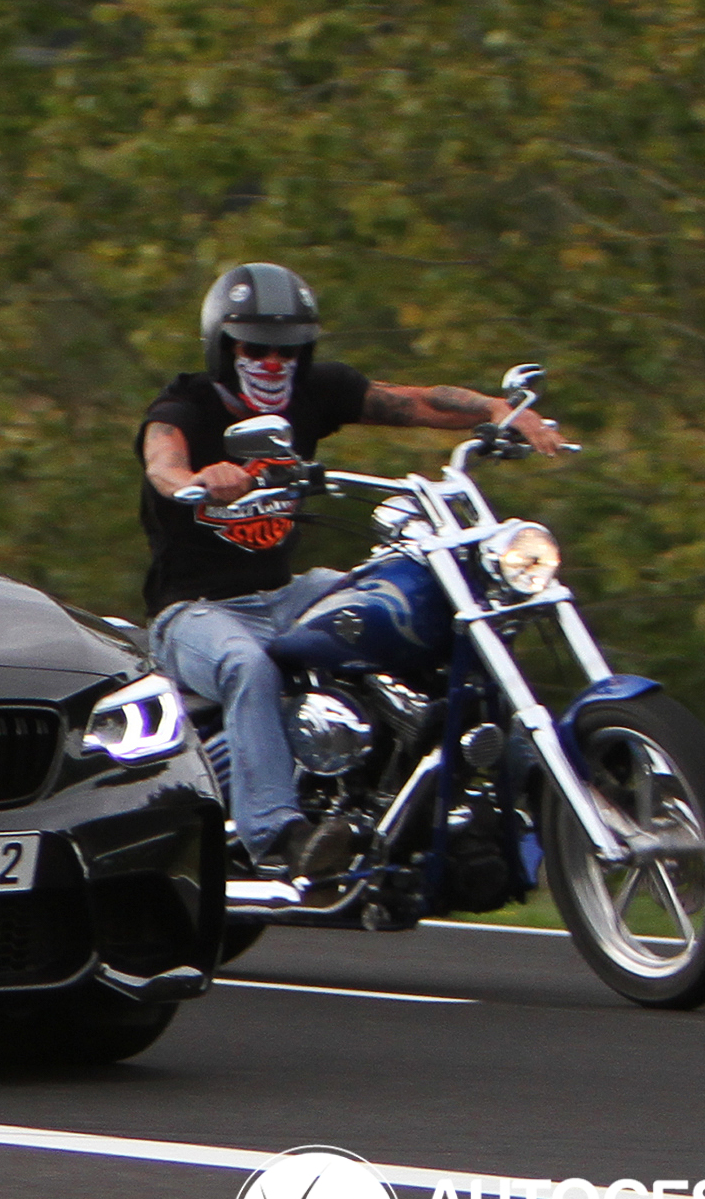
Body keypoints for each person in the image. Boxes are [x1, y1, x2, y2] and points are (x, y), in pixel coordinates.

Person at [137, 263, 569, 880]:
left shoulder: (316, 390)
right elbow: (162, 460)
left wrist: (500, 411)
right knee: (246, 665)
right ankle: (277, 833)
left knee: (412, 595)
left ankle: (486, 767)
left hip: (283, 593)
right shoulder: (186, 406)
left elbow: (413, 402)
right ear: (223, 346)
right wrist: (202, 481)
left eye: (286, 350)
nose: (270, 361)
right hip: (194, 613)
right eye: (253, 347)